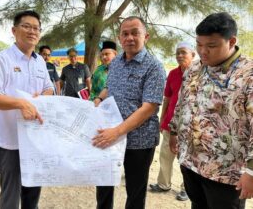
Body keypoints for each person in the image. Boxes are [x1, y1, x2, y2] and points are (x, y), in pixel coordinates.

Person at [169, 12, 253, 209]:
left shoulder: (248, 74)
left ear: (231, 41)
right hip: (191, 163)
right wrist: (174, 131)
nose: (203, 51)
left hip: (225, 172)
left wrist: (251, 171)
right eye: (199, 44)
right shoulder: (194, 69)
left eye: (211, 46)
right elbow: (182, 102)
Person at [92, 16, 166, 209]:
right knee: (104, 185)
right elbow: (109, 88)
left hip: (139, 141)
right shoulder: (115, 63)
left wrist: (117, 132)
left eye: (135, 33)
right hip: (110, 136)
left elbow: (149, 107)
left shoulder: (154, 67)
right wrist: (99, 99)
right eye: (125, 34)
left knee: (135, 192)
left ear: (146, 36)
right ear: (119, 37)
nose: (130, 38)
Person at [0, 10, 54, 209]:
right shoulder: (1, 60)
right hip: (10, 140)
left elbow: (49, 88)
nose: (32, 31)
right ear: (14, 30)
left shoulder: (40, 61)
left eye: (36, 28)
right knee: (11, 195)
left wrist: (41, 99)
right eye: (26, 26)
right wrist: (21, 104)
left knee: (33, 192)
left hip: (36, 137)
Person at [149, 41, 195, 201]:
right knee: (165, 155)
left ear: (193, 55)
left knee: (186, 159)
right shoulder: (173, 74)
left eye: (184, 52)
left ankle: (187, 189)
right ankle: (163, 184)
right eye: (178, 53)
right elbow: (167, 97)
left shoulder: (199, 73)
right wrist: (163, 119)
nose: (180, 56)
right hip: (170, 123)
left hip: (190, 126)